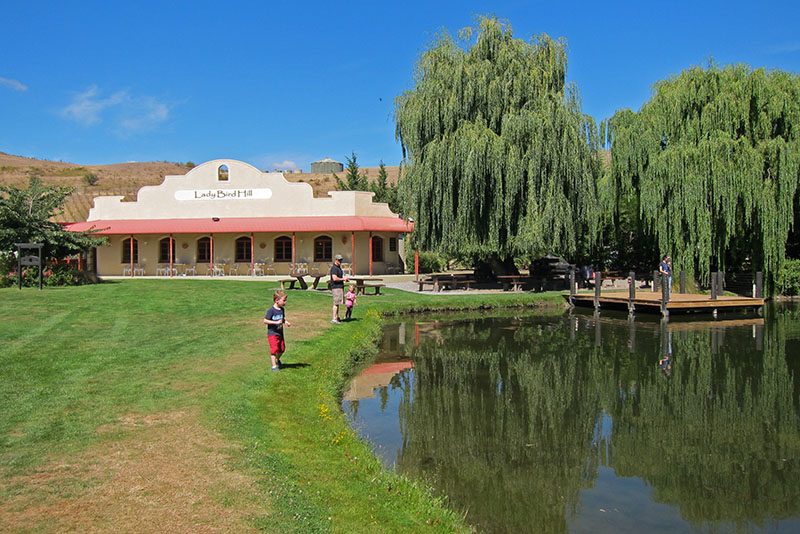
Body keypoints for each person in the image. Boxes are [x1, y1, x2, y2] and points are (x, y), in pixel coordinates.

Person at [264, 290, 291, 372]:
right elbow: (265, 320)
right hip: (272, 333)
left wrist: (285, 322)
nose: (285, 302)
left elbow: (282, 319)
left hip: (280, 333)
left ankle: (277, 360)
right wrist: (275, 322)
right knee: (274, 349)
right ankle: (274, 366)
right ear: (277, 300)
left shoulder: (282, 310)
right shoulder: (271, 310)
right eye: (284, 300)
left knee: (282, 349)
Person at [329, 254, 349, 324]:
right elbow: (334, 278)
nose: (340, 261)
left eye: (341, 260)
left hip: (339, 287)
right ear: (336, 260)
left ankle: (336, 317)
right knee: (336, 303)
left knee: (338, 303)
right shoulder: (334, 268)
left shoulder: (338, 267)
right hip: (336, 287)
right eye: (339, 260)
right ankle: (334, 318)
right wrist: (343, 279)